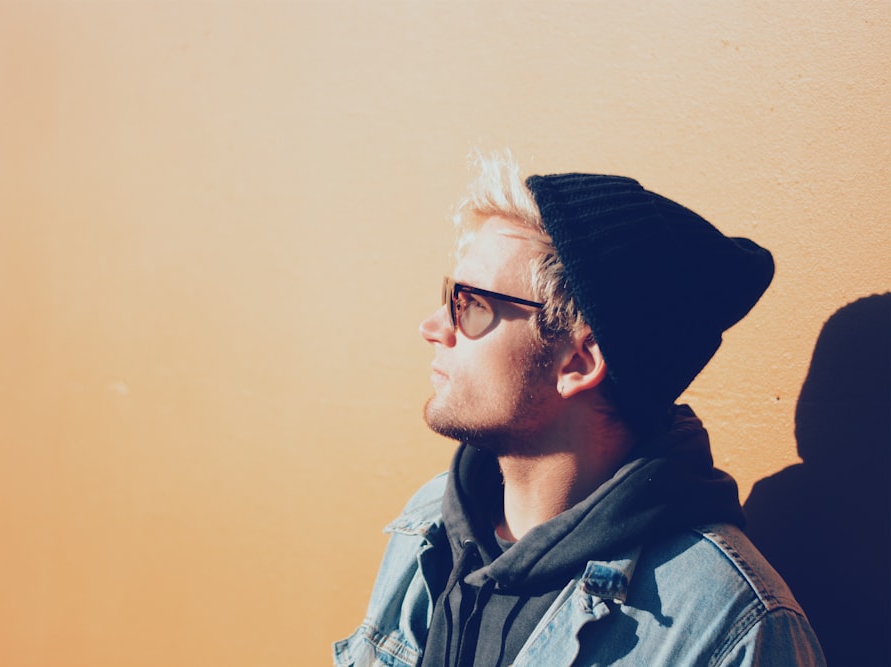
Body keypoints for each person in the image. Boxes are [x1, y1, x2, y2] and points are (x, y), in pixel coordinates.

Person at [334, 153, 826, 667]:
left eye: (470, 303)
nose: (434, 326)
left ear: (578, 361)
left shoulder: (729, 627)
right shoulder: (428, 526)